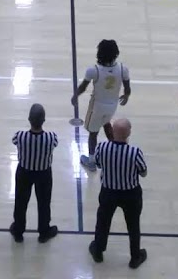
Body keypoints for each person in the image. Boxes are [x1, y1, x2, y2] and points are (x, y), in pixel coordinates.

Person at [88, 118, 147, 269]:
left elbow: (99, 164)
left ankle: (98, 251)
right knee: (133, 225)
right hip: (131, 194)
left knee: (103, 222)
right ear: (129, 133)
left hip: (108, 192)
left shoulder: (102, 147)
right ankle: (135, 257)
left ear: (113, 132)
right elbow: (143, 172)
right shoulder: (135, 152)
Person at [72, 39, 131, 168]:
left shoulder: (94, 70)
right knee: (106, 123)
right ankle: (119, 153)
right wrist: (126, 96)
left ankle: (92, 161)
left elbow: (82, 87)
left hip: (97, 107)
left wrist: (75, 96)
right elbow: (127, 88)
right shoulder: (123, 69)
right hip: (112, 106)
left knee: (93, 133)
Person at [10, 103, 58, 243]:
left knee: (20, 202)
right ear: (44, 120)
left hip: (24, 172)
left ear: (29, 119)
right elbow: (55, 144)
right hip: (44, 173)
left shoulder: (20, 136)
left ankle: (18, 231)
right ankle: (44, 232)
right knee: (44, 203)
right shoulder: (51, 137)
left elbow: (14, 141)